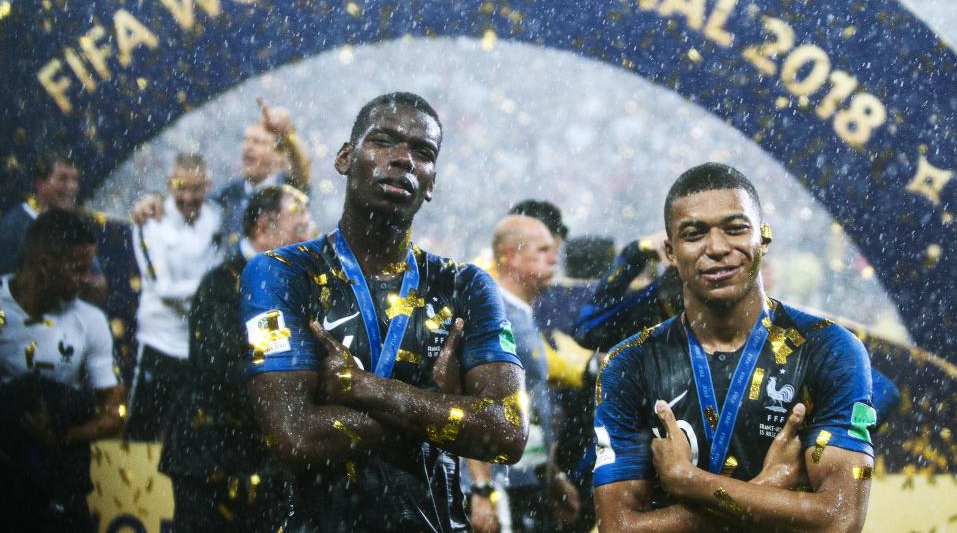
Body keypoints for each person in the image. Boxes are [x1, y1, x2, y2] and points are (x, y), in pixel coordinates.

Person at [240, 91, 528, 533]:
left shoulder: (466, 285)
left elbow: (507, 433)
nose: (403, 160)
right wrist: (442, 406)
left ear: (431, 183)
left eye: (423, 152)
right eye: (384, 142)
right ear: (344, 158)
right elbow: (294, 437)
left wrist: (362, 388)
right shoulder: (282, 273)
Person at [593, 163, 876, 532]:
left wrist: (691, 482)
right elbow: (617, 527)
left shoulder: (829, 348)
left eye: (735, 228)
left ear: (763, 239)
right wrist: (766, 488)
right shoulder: (629, 362)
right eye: (694, 234)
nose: (717, 248)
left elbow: (841, 519)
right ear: (671, 251)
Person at [160, 185, 313, 533]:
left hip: (265, 463)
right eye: (300, 228)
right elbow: (221, 368)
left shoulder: (296, 291)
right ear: (264, 229)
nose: (309, 239)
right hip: (209, 455)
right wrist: (288, 409)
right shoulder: (220, 286)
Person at [0, 209, 124, 532]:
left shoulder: (91, 321)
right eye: (78, 269)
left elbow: (114, 414)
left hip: (57, 477)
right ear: (45, 265)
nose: (88, 279)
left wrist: (60, 437)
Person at [466, 214, 580, 533]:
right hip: (500, 486)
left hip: (524, 478)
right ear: (510, 255)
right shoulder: (493, 313)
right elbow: (475, 402)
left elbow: (531, 403)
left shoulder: (519, 312)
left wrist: (552, 474)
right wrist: (482, 489)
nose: (555, 257)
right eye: (543, 250)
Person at [126, 153, 221, 440]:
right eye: (181, 188)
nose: (188, 197)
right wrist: (210, 286)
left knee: (190, 433)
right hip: (160, 341)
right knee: (143, 430)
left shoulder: (216, 218)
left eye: (196, 189)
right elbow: (163, 288)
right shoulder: (150, 223)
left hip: (198, 341)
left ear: (208, 185)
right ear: (169, 185)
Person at [132, 98, 311, 249]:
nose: (248, 147)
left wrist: (287, 135)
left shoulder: (288, 191)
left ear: (280, 156)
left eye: (258, 142)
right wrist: (155, 201)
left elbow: (302, 170)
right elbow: (190, 201)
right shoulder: (230, 194)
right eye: (246, 140)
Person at [0, 152, 108, 301]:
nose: (72, 187)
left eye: (75, 179)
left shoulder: (74, 227)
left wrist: (74, 279)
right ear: (40, 184)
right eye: (63, 179)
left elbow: (100, 286)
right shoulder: (14, 225)